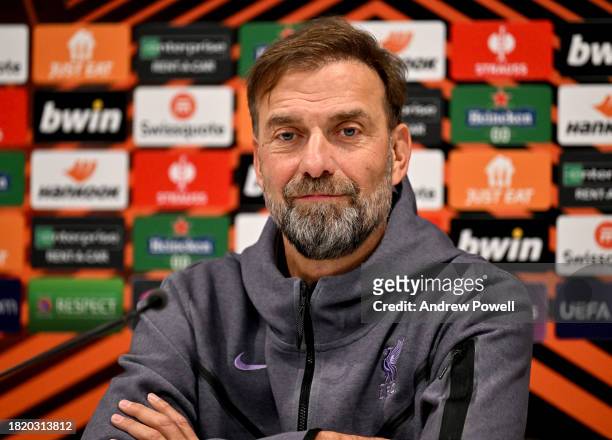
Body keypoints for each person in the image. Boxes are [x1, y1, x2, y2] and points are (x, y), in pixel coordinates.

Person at [83, 17, 533, 440]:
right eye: (288, 135)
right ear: (259, 164)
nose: (315, 164)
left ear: (397, 154)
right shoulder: (191, 304)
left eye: (348, 131)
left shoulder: (477, 305)